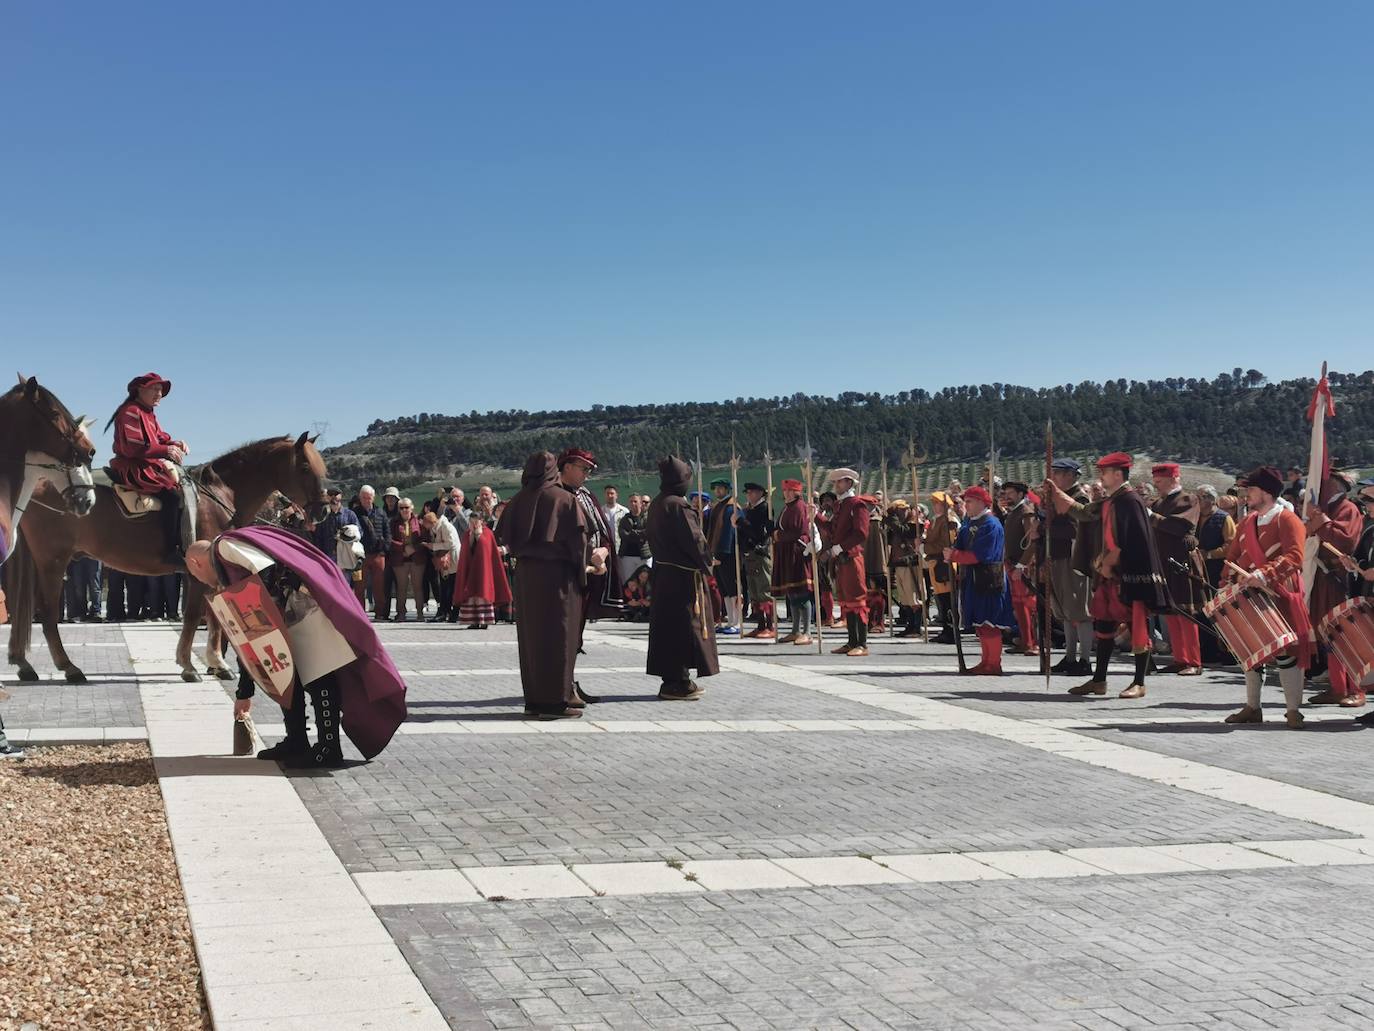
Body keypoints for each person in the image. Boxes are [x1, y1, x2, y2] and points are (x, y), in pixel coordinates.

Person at [185, 526, 407, 767]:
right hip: (290, 610)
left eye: (196, 577)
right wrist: (244, 691)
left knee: (317, 674)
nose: (202, 581)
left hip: (303, 604)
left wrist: (267, 617)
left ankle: (329, 748)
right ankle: (297, 740)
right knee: (287, 675)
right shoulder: (224, 555)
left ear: (196, 563)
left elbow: (266, 570)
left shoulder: (224, 547)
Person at [1041, 452, 1168, 700]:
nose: (1101, 476)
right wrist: (1056, 493)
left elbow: (1133, 541)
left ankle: (1139, 682)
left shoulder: (1130, 501)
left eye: (1105, 471)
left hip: (1129, 575)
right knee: (1105, 625)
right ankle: (1099, 680)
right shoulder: (1111, 500)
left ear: (1118, 474)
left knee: (1137, 626)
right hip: (1108, 575)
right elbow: (1085, 512)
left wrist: (1111, 562)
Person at [496, 452, 599, 719]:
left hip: (527, 580)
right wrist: (590, 565)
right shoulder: (563, 499)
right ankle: (555, 702)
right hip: (558, 581)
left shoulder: (517, 501)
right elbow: (578, 543)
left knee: (532, 641)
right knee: (558, 639)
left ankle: (534, 701)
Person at [1221, 466, 1314, 728]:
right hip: (1250, 593)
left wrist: (1263, 575)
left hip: (1279, 591)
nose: (1246, 494)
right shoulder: (1247, 521)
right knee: (1251, 650)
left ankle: (1293, 710)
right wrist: (1226, 584)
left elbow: (1295, 556)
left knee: (1286, 652)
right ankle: (1253, 707)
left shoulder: (1287, 519)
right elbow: (1233, 558)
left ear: (1265, 492)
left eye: (1250, 489)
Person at [645, 456, 720, 699]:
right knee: (684, 627)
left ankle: (676, 679)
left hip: (664, 574)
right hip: (682, 578)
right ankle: (677, 683)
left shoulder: (657, 503)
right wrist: (708, 561)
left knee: (668, 628)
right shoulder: (678, 505)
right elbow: (695, 540)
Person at [106, 372, 194, 562]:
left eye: (161, 390)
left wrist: (175, 443)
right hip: (134, 468)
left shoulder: (148, 413)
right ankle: (169, 551)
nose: (159, 393)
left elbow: (160, 437)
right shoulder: (131, 411)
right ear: (140, 390)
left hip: (148, 465)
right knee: (171, 497)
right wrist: (166, 450)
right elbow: (134, 447)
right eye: (155, 388)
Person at [1303, 471, 1364, 706]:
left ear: (1338, 485)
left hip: (1339, 577)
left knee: (1345, 634)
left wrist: (1320, 521)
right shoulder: (1325, 508)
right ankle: (1338, 687)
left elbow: (1346, 541)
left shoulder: (1348, 508)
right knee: (1327, 632)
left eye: (1327, 482)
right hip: (1321, 576)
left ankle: (1356, 689)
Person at [942, 485, 1015, 675]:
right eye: (965, 501)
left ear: (982, 502)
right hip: (973, 579)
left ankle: (994, 663)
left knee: (989, 623)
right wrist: (950, 553)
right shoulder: (969, 523)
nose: (966, 505)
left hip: (989, 578)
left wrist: (955, 555)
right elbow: (960, 545)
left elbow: (981, 555)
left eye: (970, 501)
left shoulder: (991, 524)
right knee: (980, 624)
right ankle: (986, 661)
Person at [1147, 463, 1204, 676]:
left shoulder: (1188, 499)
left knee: (1187, 613)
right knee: (1172, 611)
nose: (1156, 485)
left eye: (1160, 481)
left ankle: (1194, 661)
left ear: (1173, 479)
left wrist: (1151, 516)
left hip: (1182, 562)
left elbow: (1177, 527)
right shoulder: (1160, 502)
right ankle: (1180, 658)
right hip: (1164, 561)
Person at [558, 449, 623, 623]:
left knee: (577, 626)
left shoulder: (586, 495)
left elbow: (603, 532)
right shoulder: (553, 495)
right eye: (584, 469)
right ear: (568, 467)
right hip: (562, 574)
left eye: (589, 470)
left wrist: (604, 550)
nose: (587, 475)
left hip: (589, 572)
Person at [1046, 459, 1093, 675]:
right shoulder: (1055, 497)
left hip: (1074, 557)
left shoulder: (1079, 497)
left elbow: (1075, 529)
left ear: (1069, 475)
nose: (1054, 477)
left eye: (1057, 473)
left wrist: (1048, 528)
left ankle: (1084, 659)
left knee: (1079, 610)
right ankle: (1070, 656)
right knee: (1064, 610)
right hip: (1058, 555)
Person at [825, 469, 871, 656]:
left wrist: (841, 547)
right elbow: (832, 528)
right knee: (846, 601)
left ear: (849, 484)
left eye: (839, 482)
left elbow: (861, 533)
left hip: (851, 557)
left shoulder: (857, 505)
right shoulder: (841, 505)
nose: (836, 485)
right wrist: (816, 517)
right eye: (835, 482)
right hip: (842, 559)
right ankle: (852, 641)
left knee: (857, 601)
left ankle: (862, 644)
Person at [771, 478, 818, 645]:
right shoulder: (788, 507)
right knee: (792, 593)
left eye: (791, 491)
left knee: (802, 592)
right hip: (786, 553)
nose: (787, 493)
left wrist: (778, 536)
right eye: (785, 491)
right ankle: (795, 630)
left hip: (797, 553)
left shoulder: (800, 508)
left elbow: (800, 532)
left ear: (797, 492)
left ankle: (807, 631)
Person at [1000, 482, 1040, 656]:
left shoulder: (1026, 512)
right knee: (1018, 605)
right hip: (1011, 564)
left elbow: (1031, 543)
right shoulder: (1013, 513)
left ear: (1021, 494)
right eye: (1006, 493)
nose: (1007, 496)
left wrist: (1022, 565)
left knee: (1028, 605)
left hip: (1022, 566)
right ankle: (1025, 641)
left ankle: (1033, 642)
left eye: (1011, 493)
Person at [452, 512, 512, 629]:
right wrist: (471, 537)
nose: (474, 524)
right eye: (472, 521)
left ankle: (484, 620)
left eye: (476, 521)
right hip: (470, 569)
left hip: (483, 570)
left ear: (481, 521)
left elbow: (486, 550)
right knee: (470, 594)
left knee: (482, 592)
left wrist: (479, 536)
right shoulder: (466, 534)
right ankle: (473, 621)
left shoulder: (488, 533)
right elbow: (465, 551)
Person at [738, 482, 776, 638]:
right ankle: (760, 624)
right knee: (754, 590)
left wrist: (741, 522)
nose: (749, 495)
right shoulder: (749, 510)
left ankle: (770, 625)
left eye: (752, 492)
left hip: (760, 553)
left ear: (760, 493)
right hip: (749, 553)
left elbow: (758, 533)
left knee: (764, 589)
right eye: (747, 492)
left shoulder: (765, 509)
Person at [705, 478, 741, 635]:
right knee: (724, 588)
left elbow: (729, 533)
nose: (718, 491)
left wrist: (722, 553)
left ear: (727, 490)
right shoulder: (718, 507)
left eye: (721, 489)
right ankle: (730, 620)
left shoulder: (731, 508)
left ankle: (737, 621)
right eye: (716, 489)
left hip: (728, 554)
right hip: (716, 552)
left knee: (732, 587)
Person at [923, 491, 961, 644]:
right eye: (933, 503)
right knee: (941, 599)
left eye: (937, 503)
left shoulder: (948, 521)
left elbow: (946, 544)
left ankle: (951, 631)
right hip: (935, 563)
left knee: (947, 600)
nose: (934, 506)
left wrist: (925, 548)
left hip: (944, 564)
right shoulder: (936, 520)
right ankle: (945, 629)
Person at [351, 485, 391, 616]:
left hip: (378, 555)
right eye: (364, 498)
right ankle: (359, 615)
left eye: (369, 498)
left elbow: (387, 532)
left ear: (373, 498)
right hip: (360, 556)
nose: (367, 500)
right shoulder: (354, 513)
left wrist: (385, 546)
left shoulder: (380, 512)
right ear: (360, 498)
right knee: (359, 587)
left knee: (379, 586)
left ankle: (380, 613)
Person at [886, 500, 923, 637]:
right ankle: (910, 625)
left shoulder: (915, 524)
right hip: (899, 563)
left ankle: (916, 627)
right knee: (905, 598)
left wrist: (892, 519)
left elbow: (903, 532)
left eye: (902, 510)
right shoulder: (897, 524)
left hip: (910, 563)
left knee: (913, 597)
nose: (900, 513)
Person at [388, 497, 426, 621]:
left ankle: (420, 613)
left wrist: (414, 548)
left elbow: (425, 540)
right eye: (401, 508)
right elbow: (389, 540)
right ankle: (401, 613)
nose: (404, 510)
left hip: (417, 559)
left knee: (418, 587)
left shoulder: (420, 522)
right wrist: (403, 548)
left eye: (407, 507)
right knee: (401, 587)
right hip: (400, 559)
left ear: (412, 507)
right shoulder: (393, 522)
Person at [421, 509, 460, 622]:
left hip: (451, 560)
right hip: (445, 561)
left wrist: (432, 546)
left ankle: (450, 612)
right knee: (445, 587)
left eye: (426, 525)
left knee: (450, 587)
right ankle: (444, 611)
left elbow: (451, 543)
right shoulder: (437, 528)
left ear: (431, 522)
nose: (426, 528)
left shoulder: (445, 526)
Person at [616, 493, 652, 585]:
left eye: (635, 501)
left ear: (641, 503)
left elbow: (648, 533)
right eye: (631, 501)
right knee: (629, 583)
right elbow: (623, 535)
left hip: (644, 556)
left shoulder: (648, 517)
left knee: (646, 582)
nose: (633, 503)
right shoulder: (625, 519)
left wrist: (632, 533)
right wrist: (638, 535)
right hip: (627, 556)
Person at [602, 485, 629, 556]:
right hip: (606, 549)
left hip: (622, 549)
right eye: (607, 493)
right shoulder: (600, 512)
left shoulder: (624, 511)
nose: (609, 495)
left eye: (612, 493)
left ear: (616, 495)